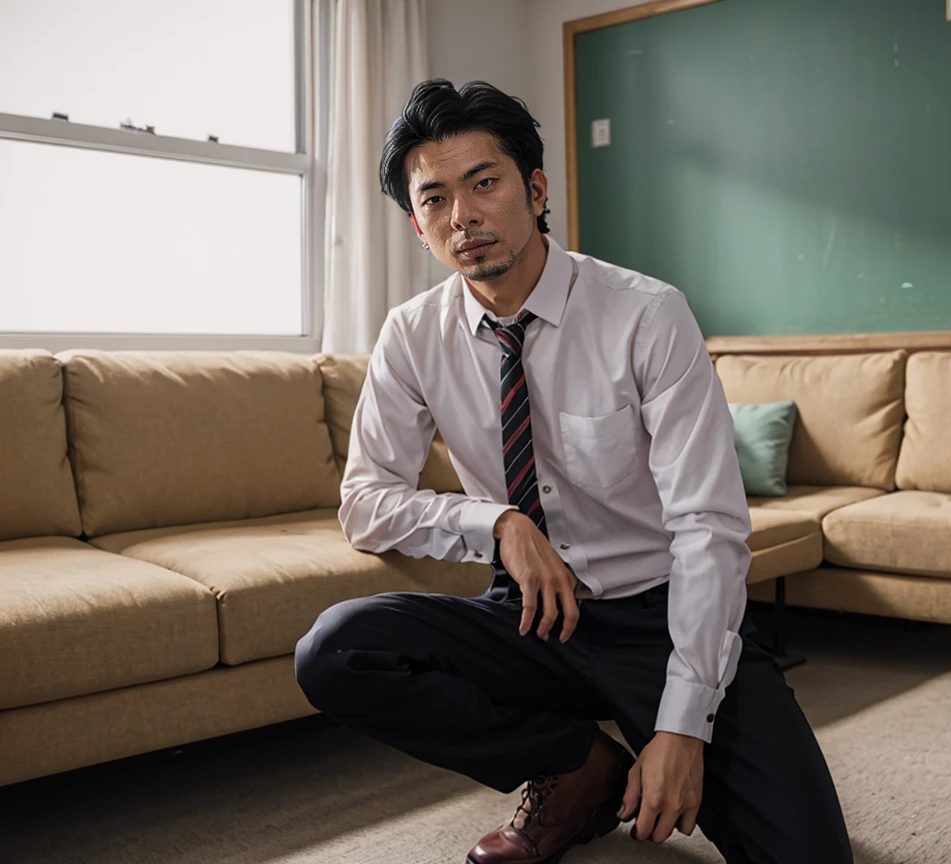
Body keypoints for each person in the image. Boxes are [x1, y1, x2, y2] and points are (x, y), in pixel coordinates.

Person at [294, 79, 852, 864]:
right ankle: (576, 765)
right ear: (416, 226)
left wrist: (682, 726)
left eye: (484, 183)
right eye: (435, 199)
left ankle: (655, 742)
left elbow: (709, 526)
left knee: (808, 855)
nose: (464, 217)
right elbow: (365, 502)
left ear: (536, 187)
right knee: (338, 648)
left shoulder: (646, 315)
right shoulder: (412, 335)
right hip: (531, 615)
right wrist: (495, 522)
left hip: (660, 614)